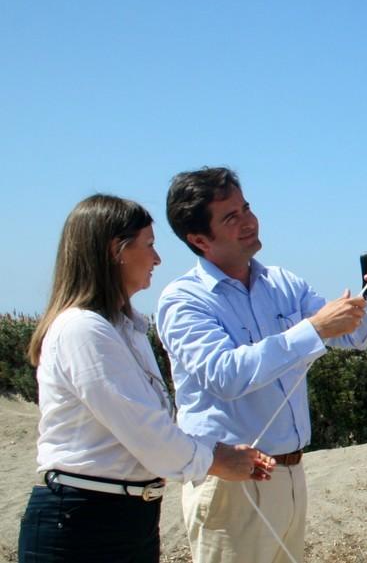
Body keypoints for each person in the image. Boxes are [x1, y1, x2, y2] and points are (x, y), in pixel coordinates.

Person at [156, 166, 367, 563]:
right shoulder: (184, 300)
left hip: (290, 474)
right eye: (230, 217)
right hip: (231, 484)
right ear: (199, 240)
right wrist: (313, 329)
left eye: (246, 208)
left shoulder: (283, 283)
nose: (248, 221)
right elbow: (225, 375)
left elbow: (352, 337)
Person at [17, 194, 275, 563]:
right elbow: (145, 431)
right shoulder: (82, 329)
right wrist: (215, 460)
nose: (157, 259)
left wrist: (213, 453)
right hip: (82, 521)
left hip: (126, 516)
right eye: (149, 244)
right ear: (116, 250)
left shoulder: (125, 329)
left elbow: (152, 426)